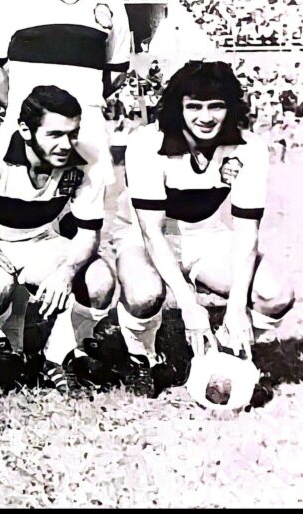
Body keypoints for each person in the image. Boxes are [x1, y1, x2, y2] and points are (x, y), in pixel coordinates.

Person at [115, 61, 295, 397]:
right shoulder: (146, 143)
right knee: (144, 293)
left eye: (216, 106)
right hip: (145, 236)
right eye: (194, 106)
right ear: (177, 108)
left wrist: (237, 308)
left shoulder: (249, 147)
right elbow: (151, 233)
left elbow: (246, 232)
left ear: (231, 107)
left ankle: (229, 351)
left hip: (207, 234)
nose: (205, 116)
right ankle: (144, 357)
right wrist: (189, 304)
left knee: (276, 295)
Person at [0, 85, 115, 394]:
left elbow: (88, 232)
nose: (66, 144)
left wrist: (66, 273)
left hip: (40, 240)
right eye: (54, 134)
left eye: (73, 133)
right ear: (25, 130)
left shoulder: (87, 159)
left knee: (99, 281)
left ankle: (55, 357)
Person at [0, 0, 130, 170]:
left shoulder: (110, 1)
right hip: (28, 130)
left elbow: (117, 72)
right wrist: (28, 110)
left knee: (88, 206)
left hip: (86, 131)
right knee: (21, 202)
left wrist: (85, 100)